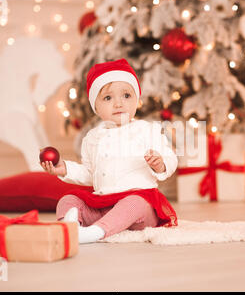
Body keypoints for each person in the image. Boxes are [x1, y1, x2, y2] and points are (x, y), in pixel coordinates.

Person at [40, 58, 178, 243]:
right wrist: (65, 168)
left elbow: (171, 157)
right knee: (68, 199)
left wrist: (160, 164)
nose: (119, 103)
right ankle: (71, 226)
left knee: (133, 203)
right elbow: (90, 173)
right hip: (105, 205)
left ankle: (96, 232)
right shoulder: (92, 138)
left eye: (126, 96)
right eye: (108, 98)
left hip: (141, 207)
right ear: (95, 107)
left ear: (137, 100)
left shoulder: (147, 130)